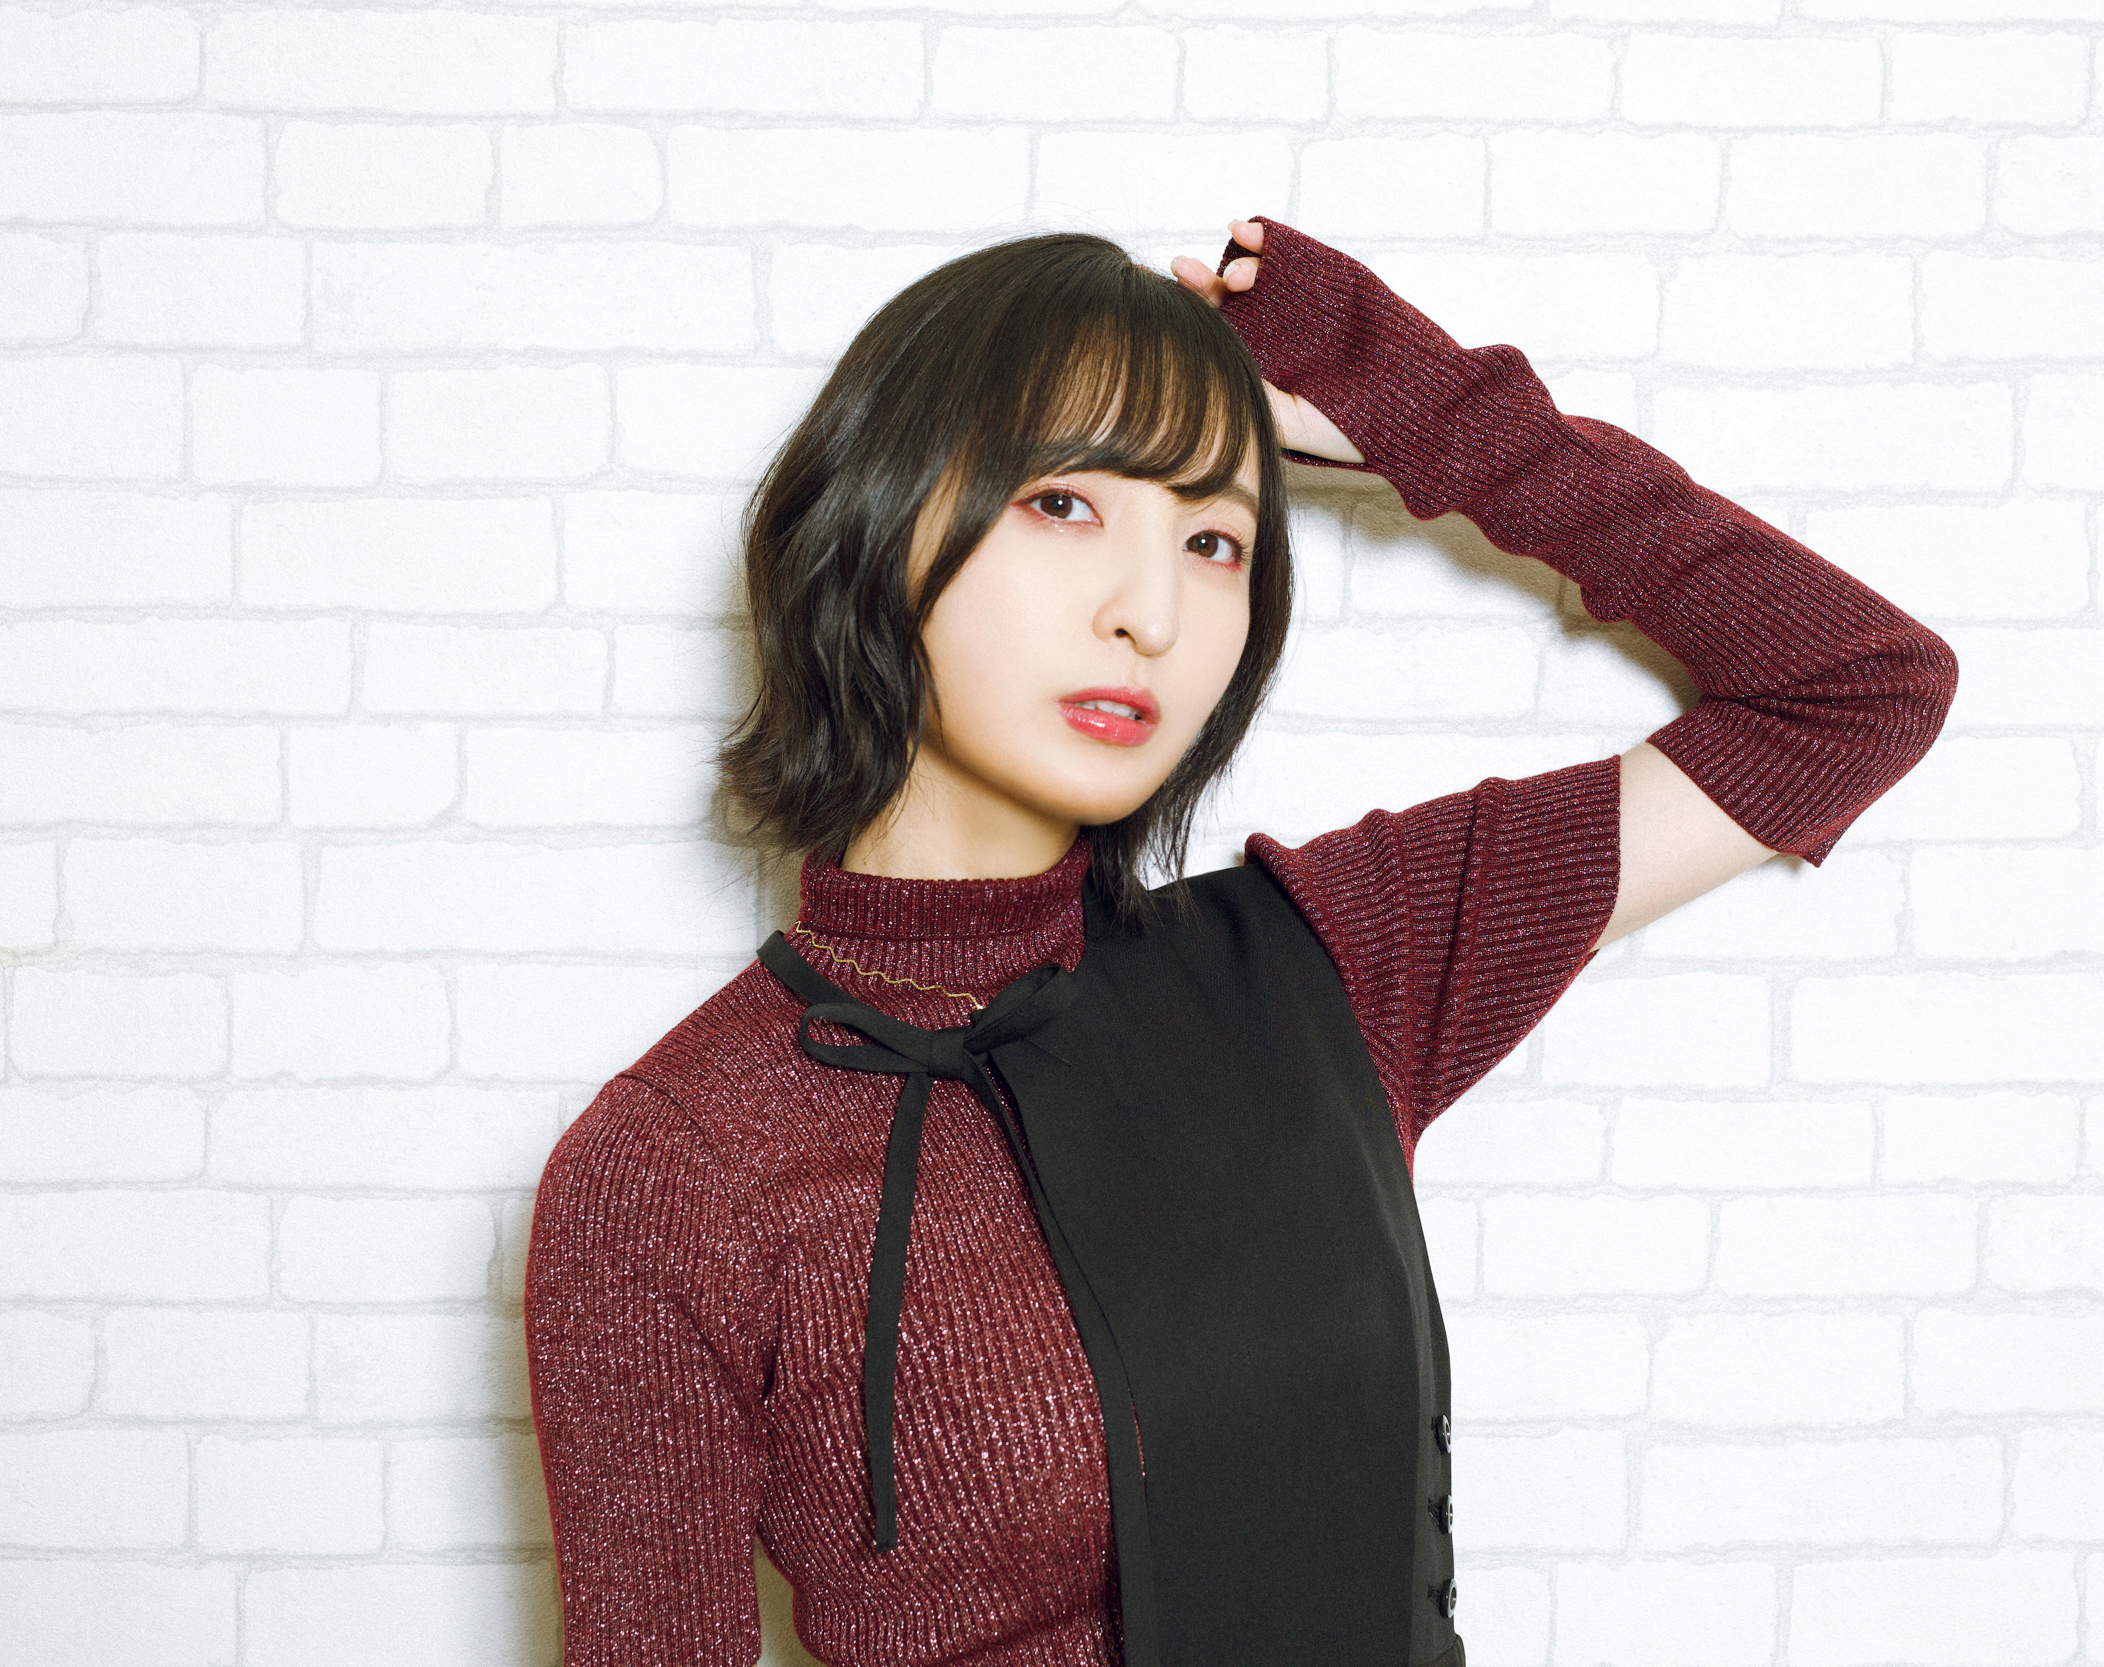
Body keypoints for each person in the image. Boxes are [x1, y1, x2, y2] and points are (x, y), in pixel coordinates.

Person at [523, 215, 1959, 1667]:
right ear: (882, 521)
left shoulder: (1338, 962)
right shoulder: (676, 1165)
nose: (1151, 614)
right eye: (1064, 504)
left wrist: (1421, 415)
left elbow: (1856, 687)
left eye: (1214, 539)